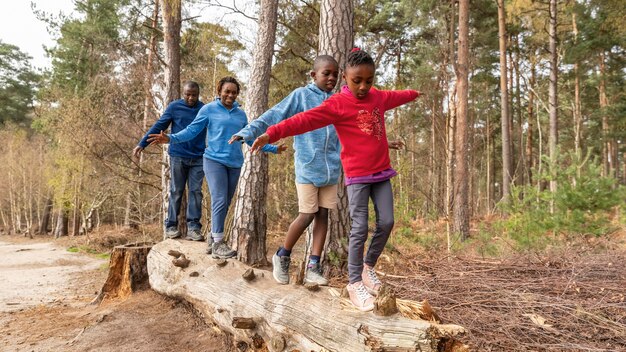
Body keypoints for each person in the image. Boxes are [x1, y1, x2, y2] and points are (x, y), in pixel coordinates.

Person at [250, 49, 421, 311]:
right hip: (357, 177)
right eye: (357, 81)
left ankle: (367, 267)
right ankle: (354, 283)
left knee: (387, 221)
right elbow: (302, 121)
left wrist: (413, 94)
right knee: (359, 228)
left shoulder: (376, 97)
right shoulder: (337, 104)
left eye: (369, 80)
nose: (363, 87)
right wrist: (270, 134)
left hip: (382, 172)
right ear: (345, 77)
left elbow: (395, 96)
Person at [229, 55, 340, 286]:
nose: (331, 78)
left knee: (323, 215)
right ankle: (282, 255)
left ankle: (313, 265)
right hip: (308, 167)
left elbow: (355, 128)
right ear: (313, 75)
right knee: (307, 214)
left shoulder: (339, 101)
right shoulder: (302, 96)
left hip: (331, 170)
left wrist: (380, 142)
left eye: (335, 74)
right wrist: (248, 132)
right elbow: (274, 115)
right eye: (326, 73)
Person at [148, 76, 286, 259]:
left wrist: (272, 148)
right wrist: (170, 139)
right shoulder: (208, 110)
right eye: (227, 91)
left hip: (235, 163)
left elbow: (249, 138)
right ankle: (219, 244)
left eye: (234, 92)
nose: (230, 95)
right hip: (213, 160)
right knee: (219, 199)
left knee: (225, 203)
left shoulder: (240, 114)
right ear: (219, 91)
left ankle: (213, 238)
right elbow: (191, 130)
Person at [134, 81, 205, 241]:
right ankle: (171, 226)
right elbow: (160, 125)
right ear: (183, 93)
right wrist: (142, 143)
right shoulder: (175, 107)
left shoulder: (204, 109)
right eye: (188, 94)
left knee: (195, 192)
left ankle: (193, 228)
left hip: (199, 157)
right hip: (178, 156)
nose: (191, 98)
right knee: (176, 191)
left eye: (194, 95)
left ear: (198, 94)